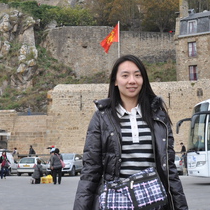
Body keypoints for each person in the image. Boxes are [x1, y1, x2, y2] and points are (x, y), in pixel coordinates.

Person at [73, 54, 188, 210]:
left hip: (154, 202)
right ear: (115, 81)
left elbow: (169, 169)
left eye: (137, 75)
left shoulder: (158, 117)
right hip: (116, 203)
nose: (132, 81)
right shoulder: (101, 118)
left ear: (144, 80)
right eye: (125, 75)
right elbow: (90, 170)